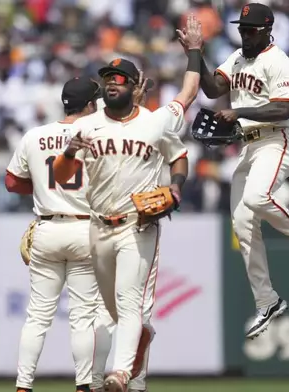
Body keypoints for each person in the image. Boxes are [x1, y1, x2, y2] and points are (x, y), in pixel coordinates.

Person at [52, 14, 203, 392]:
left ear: (134, 87)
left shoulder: (155, 122)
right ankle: (140, 341)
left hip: (138, 226)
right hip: (98, 227)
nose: (111, 84)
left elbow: (187, 99)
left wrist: (178, 184)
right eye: (106, 79)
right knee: (115, 311)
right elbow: (59, 174)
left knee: (129, 300)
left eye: (118, 79)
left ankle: (120, 375)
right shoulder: (86, 125)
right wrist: (69, 150)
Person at [190, 3, 289, 339]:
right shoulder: (236, 58)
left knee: (256, 197)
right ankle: (267, 301)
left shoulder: (278, 62)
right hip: (249, 145)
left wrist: (240, 111)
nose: (244, 34)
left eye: (250, 29)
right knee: (243, 223)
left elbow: (283, 108)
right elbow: (211, 89)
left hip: (276, 142)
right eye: (241, 28)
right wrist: (194, 53)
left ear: (266, 29)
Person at [5, 76, 105, 392]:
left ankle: (23, 386)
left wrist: (43, 186)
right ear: (90, 104)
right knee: (83, 317)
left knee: (37, 316)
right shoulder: (97, 136)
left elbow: (11, 182)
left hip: (47, 226)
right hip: (83, 228)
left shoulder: (35, 135)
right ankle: (83, 384)